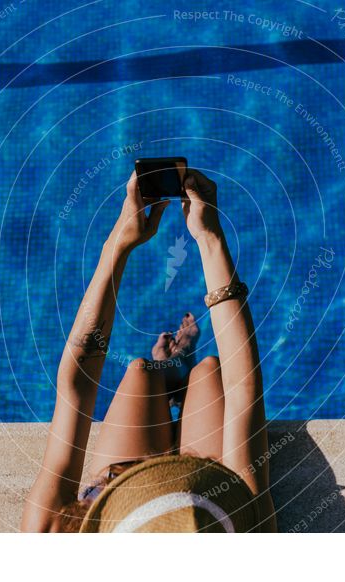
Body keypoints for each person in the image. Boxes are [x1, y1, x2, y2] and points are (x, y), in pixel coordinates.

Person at [20, 169, 276, 532]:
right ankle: (181, 368)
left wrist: (118, 245)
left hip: (130, 483)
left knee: (141, 369)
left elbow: (77, 387)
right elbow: (242, 388)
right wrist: (209, 238)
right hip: (207, 496)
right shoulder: (243, 536)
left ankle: (168, 366)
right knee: (209, 370)